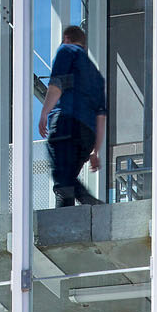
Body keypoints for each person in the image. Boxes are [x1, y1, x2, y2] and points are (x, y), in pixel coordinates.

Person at [40, 25, 107, 208]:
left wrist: (44, 112)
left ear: (67, 38)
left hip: (65, 124)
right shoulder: (97, 76)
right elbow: (101, 117)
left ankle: (87, 199)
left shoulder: (66, 50)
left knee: (63, 178)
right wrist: (95, 151)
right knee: (66, 182)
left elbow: (55, 86)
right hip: (87, 135)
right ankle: (68, 223)